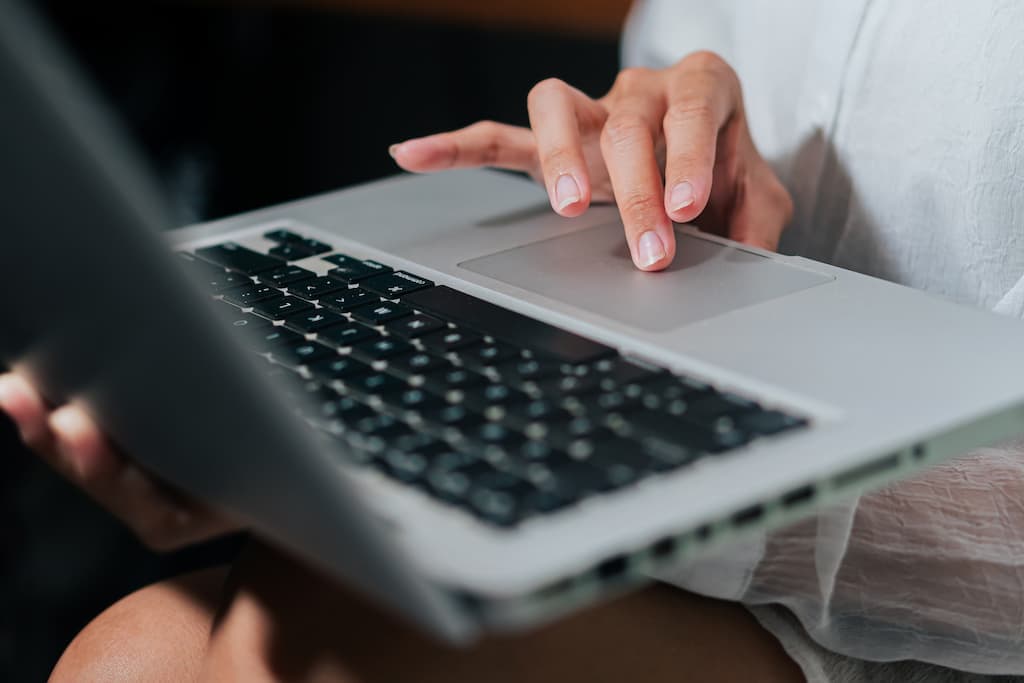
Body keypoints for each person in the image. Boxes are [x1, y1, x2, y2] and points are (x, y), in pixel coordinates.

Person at [3, 0, 1024, 680]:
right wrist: (647, 176)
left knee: (333, 620)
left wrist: (608, 470)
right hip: (711, 434)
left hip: (935, 618)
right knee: (124, 658)